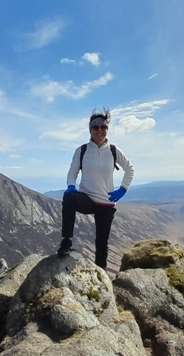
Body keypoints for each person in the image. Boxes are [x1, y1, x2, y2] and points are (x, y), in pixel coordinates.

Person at [57, 108, 134, 270]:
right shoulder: (82, 150)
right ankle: (66, 241)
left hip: (106, 202)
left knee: (101, 243)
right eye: (95, 127)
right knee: (69, 198)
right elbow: (73, 171)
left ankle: (102, 277)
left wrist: (123, 189)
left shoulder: (113, 150)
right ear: (90, 129)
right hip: (87, 199)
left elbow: (130, 169)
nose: (100, 130)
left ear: (107, 129)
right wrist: (71, 186)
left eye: (103, 127)